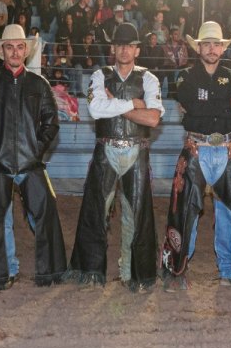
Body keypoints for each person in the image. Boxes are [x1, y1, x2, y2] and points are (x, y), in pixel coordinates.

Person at [0, 24, 66, 289]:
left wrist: (35, 149)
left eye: (20, 47)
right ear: (2, 51)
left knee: (44, 214)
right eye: (9, 47)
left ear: (26, 51)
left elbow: (52, 123)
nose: (15, 52)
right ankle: (4, 273)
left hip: (31, 163)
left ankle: (49, 272)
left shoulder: (39, 84)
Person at [64, 23, 164, 291]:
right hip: (106, 149)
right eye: (120, 45)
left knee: (136, 214)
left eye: (129, 45)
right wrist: (134, 104)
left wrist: (117, 107)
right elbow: (96, 110)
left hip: (136, 149)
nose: (124, 50)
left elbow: (153, 119)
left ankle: (132, 273)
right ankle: (91, 271)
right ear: (113, 48)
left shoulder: (149, 78)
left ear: (137, 50)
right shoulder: (100, 74)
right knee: (96, 211)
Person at [161, 20, 231, 289]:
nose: (212, 48)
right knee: (185, 211)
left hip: (225, 150)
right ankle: (177, 269)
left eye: (216, 44)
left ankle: (229, 270)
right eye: (207, 44)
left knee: (228, 213)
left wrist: (204, 104)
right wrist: (223, 104)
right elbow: (192, 106)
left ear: (222, 49)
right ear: (198, 48)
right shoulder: (183, 76)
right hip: (196, 149)